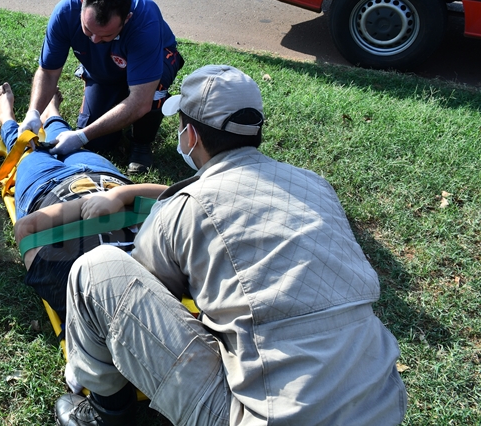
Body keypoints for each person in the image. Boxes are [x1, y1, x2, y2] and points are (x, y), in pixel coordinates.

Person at [54, 65, 407, 426]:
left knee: (94, 271)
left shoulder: (188, 204)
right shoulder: (316, 186)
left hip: (266, 417)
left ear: (189, 135)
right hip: (380, 406)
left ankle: (107, 413)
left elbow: (148, 286)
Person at [0, 83, 167, 319]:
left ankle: (7, 117)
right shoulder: (166, 276)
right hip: (107, 179)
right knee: (69, 140)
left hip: (47, 187)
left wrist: (88, 207)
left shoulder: (70, 293)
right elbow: (177, 195)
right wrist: (118, 195)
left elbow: (27, 230)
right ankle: (52, 113)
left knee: (27, 150)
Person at [19, 0, 183, 175]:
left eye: (105, 35)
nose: (95, 40)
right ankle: (108, 91)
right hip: (107, 67)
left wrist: (81, 136)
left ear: (127, 18)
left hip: (156, 61)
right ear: (82, 3)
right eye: (88, 30)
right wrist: (33, 112)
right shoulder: (65, 12)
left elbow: (141, 100)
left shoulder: (145, 22)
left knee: (153, 93)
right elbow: (48, 71)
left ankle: (141, 143)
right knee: (98, 144)